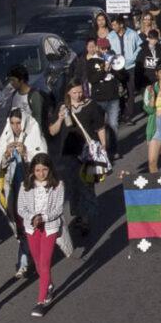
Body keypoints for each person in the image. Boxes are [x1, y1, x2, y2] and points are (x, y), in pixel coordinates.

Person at [0, 108, 47, 279]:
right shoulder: (6, 137)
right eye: (12, 123)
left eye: (18, 123)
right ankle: (24, 262)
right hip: (13, 191)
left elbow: (42, 162)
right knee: (20, 225)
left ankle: (34, 260)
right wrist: (6, 154)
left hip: (32, 191)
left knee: (33, 224)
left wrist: (26, 153)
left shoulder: (33, 135)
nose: (15, 127)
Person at [48, 79, 106, 235]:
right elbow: (52, 131)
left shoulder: (91, 106)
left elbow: (100, 127)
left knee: (87, 185)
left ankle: (86, 219)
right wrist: (60, 118)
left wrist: (103, 146)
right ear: (68, 92)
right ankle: (79, 214)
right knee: (73, 186)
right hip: (69, 153)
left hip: (87, 153)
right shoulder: (62, 107)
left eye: (80, 91)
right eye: (75, 92)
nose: (78, 95)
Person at [16, 153, 65, 317]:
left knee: (45, 262)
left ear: (50, 169)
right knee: (37, 261)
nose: (41, 173)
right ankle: (49, 284)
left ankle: (41, 300)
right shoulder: (25, 186)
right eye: (37, 170)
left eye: (44, 169)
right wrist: (32, 218)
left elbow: (58, 209)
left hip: (49, 227)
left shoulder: (58, 185)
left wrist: (43, 218)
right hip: (32, 228)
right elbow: (20, 208)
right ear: (32, 171)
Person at [83, 39, 122, 159]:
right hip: (99, 98)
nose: (104, 50)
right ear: (97, 48)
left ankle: (113, 150)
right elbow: (92, 79)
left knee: (113, 124)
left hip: (113, 97)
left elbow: (122, 76)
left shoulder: (113, 58)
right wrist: (104, 70)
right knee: (99, 126)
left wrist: (115, 70)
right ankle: (100, 150)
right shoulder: (91, 62)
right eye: (102, 48)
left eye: (106, 48)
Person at [108, 15, 142, 122]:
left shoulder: (132, 34)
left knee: (130, 90)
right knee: (119, 90)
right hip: (117, 67)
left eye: (114, 25)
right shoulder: (111, 36)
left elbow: (140, 46)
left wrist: (133, 57)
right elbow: (107, 49)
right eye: (112, 25)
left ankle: (129, 115)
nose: (113, 27)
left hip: (130, 65)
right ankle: (122, 110)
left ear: (121, 24)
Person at [6, 64, 47, 129]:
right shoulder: (14, 95)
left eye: (13, 80)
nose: (11, 83)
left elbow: (38, 122)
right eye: (10, 80)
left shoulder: (34, 96)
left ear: (21, 80)